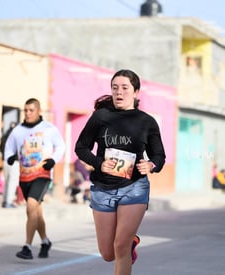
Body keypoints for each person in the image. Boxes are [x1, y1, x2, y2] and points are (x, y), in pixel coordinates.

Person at [75, 69, 166, 275]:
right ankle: (130, 242)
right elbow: (81, 147)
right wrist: (99, 163)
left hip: (134, 188)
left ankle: (126, 243)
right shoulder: (101, 117)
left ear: (136, 92)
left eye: (125, 88)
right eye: (115, 87)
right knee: (108, 253)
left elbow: (159, 156)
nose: (119, 92)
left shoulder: (147, 121)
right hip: (102, 189)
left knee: (120, 247)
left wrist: (151, 165)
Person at [4, 98, 65, 260]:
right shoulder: (18, 130)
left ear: (38, 111)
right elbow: (9, 147)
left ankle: (27, 247)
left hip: (42, 174)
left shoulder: (48, 129)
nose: (28, 113)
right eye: (26, 110)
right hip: (24, 176)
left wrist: (53, 159)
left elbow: (61, 146)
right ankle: (45, 241)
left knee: (30, 206)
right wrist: (10, 157)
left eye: (31, 110)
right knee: (35, 211)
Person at [0, 122, 20, 208]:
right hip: (13, 161)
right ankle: (9, 202)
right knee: (12, 182)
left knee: (6, 182)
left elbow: (1, 147)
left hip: (5, 161)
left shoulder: (5, 136)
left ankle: (4, 201)